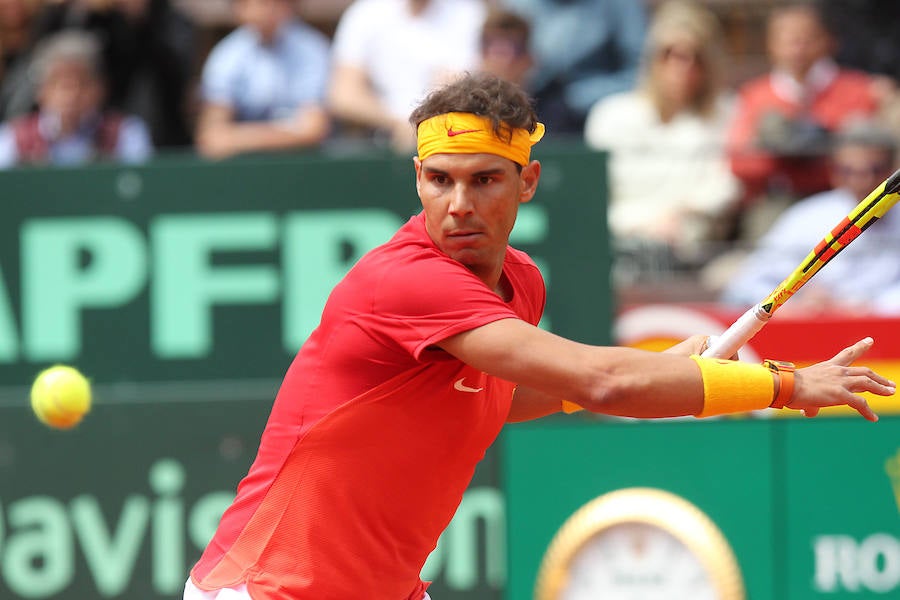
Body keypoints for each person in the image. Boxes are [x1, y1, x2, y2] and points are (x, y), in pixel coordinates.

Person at [183, 73, 895, 600]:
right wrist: (788, 384)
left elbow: (505, 393)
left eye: (486, 180)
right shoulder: (404, 280)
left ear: (528, 182)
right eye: (440, 180)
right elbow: (604, 381)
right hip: (266, 589)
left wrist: (661, 373)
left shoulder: (521, 281)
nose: (459, 205)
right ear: (418, 180)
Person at [584, 0, 741, 275]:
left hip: (699, 248)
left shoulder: (728, 113)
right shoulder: (611, 115)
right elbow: (592, 200)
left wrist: (681, 215)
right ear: (652, 58)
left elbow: (728, 188)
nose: (682, 67)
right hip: (621, 246)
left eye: (695, 57)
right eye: (670, 54)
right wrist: (646, 223)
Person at [721, 118, 900, 315]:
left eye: (874, 170)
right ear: (833, 170)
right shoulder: (806, 218)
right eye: (848, 171)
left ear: (892, 169)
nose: (861, 180)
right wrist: (796, 302)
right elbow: (748, 284)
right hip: (812, 328)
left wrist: (872, 307)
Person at [726, 3, 882, 213]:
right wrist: (781, 153)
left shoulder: (858, 90)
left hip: (843, 200)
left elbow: (872, 159)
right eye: (788, 40)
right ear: (771, 44)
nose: (798, 48)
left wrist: (825, 141)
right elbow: (739, 162)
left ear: (828, 40)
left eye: (807, 38)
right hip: (778, 200)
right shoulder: (755, 95)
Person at [15, 0, 197, 148]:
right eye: (62, 86)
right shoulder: (16, 138)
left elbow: (168, 72)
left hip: (137, 120)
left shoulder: (164, 19)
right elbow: (35, 60)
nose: (71, 94)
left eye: (79, 85)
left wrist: (136, 18)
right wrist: (58, 10)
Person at [326, 0, 486, 152]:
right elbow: (343, 97)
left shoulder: (471, 14)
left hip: (457, 137)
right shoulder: (364, 14)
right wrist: (399, 124)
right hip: (384, 143)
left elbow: (488, 81)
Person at [195, 0, 331, 159]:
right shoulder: (226, 55)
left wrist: (237, 138)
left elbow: (314, 130)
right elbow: (212, 137)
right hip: (244, 172)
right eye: (251, 3)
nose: (262, 10)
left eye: (269, 3)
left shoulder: (312, 49)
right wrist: (288, 133)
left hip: (306, 167)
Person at [0, 30, 153, 167]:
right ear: (41, 91)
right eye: (60, 83)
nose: (71, 94)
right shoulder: (12, 137)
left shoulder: (126, 133)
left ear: (100, 89)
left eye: (82, 83)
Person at [497, 0, 648, 137]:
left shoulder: (620, 6)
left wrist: (580, 97)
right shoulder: (519, 6)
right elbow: (499, 60)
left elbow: (640, 72)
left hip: (594, 115)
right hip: (531, 105)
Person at [478, 7, 534, 88]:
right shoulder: (462, 96)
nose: (502, 61)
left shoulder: (552, 94)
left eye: (515, 48)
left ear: (528, 59)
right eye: (497, 50)